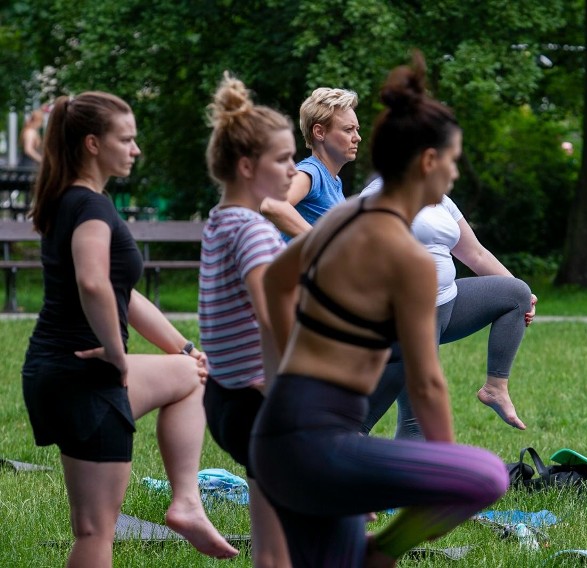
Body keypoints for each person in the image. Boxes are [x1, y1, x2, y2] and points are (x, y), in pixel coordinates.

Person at [250, 52, 508, 566]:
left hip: (280, 436)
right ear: (428, 163)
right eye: (453, 161)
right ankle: (384, 552)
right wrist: (445, 471)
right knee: (485, 477)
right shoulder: (405, 257)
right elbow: (427, 382)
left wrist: (277, 366)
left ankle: (366, 551)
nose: (454, 175)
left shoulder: (342, 219)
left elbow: (275, 283)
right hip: (319, 444)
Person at [20, 92, 239, 566]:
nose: (136, 149)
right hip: (86, 376)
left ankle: (186, 502)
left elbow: (122, 293)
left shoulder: (70, 201)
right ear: (94, 144)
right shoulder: (91, 209)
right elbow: (93, 282)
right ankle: (185, 503)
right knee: (96, 532)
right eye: (127, 138)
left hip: (53, 372)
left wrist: (183, 347)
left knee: (190, 375)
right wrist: (116, 353)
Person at [199, 73, 297, 568]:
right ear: (245, 165)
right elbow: (272, 316)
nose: (292, 168)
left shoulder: (220, 221)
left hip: (223, 398)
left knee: (271, 549)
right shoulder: (255, 230)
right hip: (259, 401)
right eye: (282, 159)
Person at [360, 177, 536, 437]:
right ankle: (330, 453)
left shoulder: (440, 199)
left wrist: (527, 300)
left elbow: (475, 253)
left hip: (447, 304)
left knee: (515, 294)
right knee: (416, 414)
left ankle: (495, 388)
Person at [259, 87, 360, 238]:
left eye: (357, 129)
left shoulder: (334, 181)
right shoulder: (311, 173)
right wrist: (318, 243)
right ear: (319, 132)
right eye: (348, 130)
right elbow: (272, 204)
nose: (357, 137)